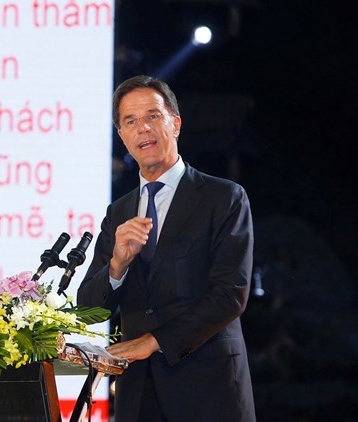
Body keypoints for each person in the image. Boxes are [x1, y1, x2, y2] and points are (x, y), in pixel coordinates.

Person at [77, 75, 256, 421]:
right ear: (122, 137)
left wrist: (153, 340)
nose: (142, 128)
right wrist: (116, 266)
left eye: (152, 116)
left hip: (209, 389)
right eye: (131, 121)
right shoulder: (119, 212)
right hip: (138, 394)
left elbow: (230, 294)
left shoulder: (223, 198)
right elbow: (89, 310)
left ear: (175, 124)